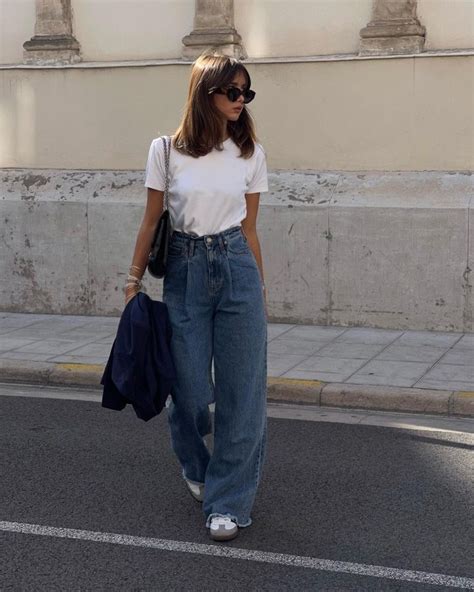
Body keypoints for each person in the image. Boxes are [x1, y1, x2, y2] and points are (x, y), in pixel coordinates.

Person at [125, 51, 269, 542]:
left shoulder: (250, 153)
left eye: (245, 93)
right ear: (205, 92)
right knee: (186, 388)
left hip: (236, 269)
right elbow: (150, 220)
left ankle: (227, 501)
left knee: (242, 394)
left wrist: (260, 290)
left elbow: (250, 230)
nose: (240, 101)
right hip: (184, 270)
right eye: (232, 91)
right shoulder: (165, 151)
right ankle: (197, 462)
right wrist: (132, 279)